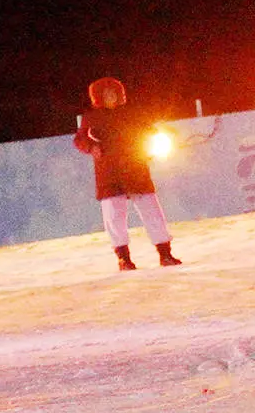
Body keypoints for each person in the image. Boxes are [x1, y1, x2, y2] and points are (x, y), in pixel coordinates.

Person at [76, 76, 181, 271]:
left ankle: (165, 253)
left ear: (120, 94)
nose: (111, 97)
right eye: (106, 94)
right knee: (114, 216)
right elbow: (80, 140)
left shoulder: (132, 113)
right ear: (98, 97)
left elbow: (148, 130)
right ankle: (124, 259)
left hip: (136, 168)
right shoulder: (91, 118)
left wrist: (158, 137)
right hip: (109, 173)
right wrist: (91, 147)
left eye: (114, 93)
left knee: (151, 211)